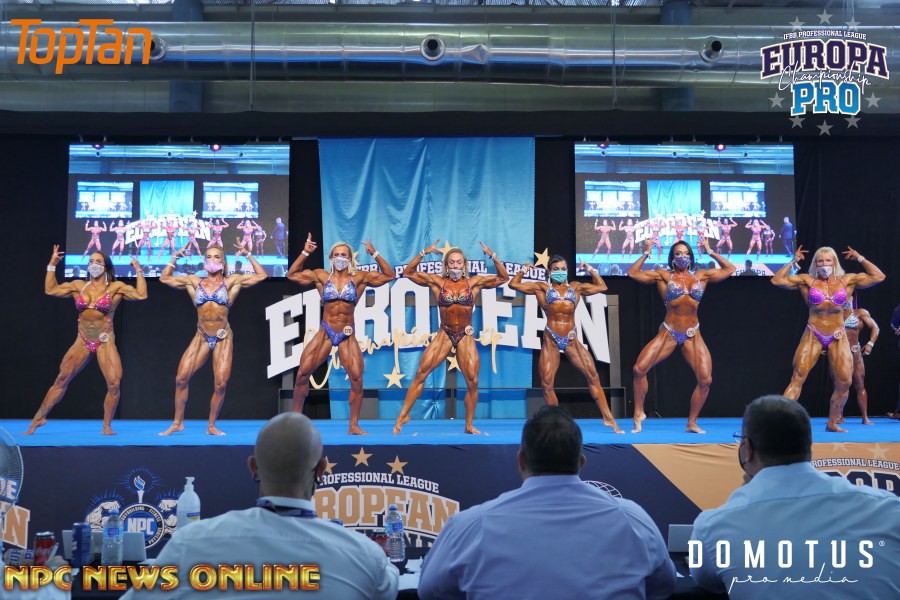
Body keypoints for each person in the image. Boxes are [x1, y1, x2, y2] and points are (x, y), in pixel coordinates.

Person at [122, 413, 398, 599]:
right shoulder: (364, 556)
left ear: (253, 466)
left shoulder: (189, 544)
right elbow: (388, 586)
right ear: (322, 470)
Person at [418, 406, 675, 600]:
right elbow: (664, 586)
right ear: (581, 463)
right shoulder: (632, 519)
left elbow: (430, 591)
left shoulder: (471, 525)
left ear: (520, 460)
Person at [690, 395, 900, 600]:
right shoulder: (889, 510)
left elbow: (707, 581)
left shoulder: (714, 526)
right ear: (809, 446)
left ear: (748, 449)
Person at [24, 246, 147, 435]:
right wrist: (52, 264)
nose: (94, 265)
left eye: (98, 262)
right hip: (82, 340)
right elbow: (50, 289)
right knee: (61, 379)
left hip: (104, 339)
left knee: (114, 384)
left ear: (105, 266)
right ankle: (39, 418)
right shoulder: (78, 285)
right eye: (91, 261)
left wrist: (138, 270)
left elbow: (141, 294)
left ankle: (107, 426)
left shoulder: (116, 288)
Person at [393, 240, 509, 435]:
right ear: (446, 265)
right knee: (421, 372)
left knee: (472, 381)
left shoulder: (474, 283)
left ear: (464, 265)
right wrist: (424, 252)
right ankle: (403, 415)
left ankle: (469, 425)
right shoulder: (438, 283)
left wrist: (493, 255)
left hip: (465, 334)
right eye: (452, 262)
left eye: (459, 262)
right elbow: (408, 272)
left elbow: (503, 277)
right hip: (445, 333)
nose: (455, 266)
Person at [288, 234, 394, 435]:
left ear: (350, 258)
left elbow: (389, 276)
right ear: (331, 257)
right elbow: (292, 275)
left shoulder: (359, 278)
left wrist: (375, 254)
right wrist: (304, 253)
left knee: (357, 379)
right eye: (336, 254)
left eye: (344, 255)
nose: (340, 258)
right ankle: (295, 420)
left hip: (347, 334)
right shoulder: (321, 276)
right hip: (326, 332)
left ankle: (353, 425)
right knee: (302, 374)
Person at [158, 242, 268, 436]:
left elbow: (262, 276)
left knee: (220, 384)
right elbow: (164, 278)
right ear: (204, 261)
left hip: (222, 336)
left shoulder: (232, 281)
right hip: (201, 336)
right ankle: (177, 423)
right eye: (208, 257)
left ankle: (211, 425)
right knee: (181, 378)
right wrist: (175, 256)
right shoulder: (194, 281)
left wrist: (248, 254)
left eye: (217, 257)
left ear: (223, 262)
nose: (212, 260)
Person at [771, 245, 885, 432]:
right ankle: (780, 422)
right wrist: (793, 261)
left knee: (845, 382)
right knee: (797, 377)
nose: (824, 264)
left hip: (838, 334)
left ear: (834, 263)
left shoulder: (847, 281)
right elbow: (777, 280)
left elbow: (879, 276)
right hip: (813, 333)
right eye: (820, 261)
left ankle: (832, 423)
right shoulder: (806, 280)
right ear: (815, 264)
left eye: (827, 260)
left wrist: (859, 257)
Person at [628, 238, 735, 433]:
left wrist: (710, 251)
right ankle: (638, 413)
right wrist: (646, 252)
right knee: (639, 369)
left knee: (705, 380)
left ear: (691, 257)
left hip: (692, 334)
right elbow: (633, 273)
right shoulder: (663, 276)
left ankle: (691, 423)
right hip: (669, 332)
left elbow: (730, 269)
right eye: (678, 254)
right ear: (672, 258)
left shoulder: (701, 276)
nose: (682, 257)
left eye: (685, 253)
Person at [508, 255, 623, 433]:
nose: (560, 272)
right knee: (546, 384)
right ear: (549, 272)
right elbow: (513, 284)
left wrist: (589, 269)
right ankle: (557, 422)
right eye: (556, 269)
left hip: (571, 340)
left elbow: (602, 286)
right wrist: (524, 270)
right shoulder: (542, 288)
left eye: (563, 269)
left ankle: (608, 418)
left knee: (593, 376)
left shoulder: (575, 287)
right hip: (551, 339)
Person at [839, 295, 879, 425]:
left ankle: (865, 417)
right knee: (840, 385)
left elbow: (875, 328)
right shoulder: (834, 314)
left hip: (855, 353)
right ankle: (839, 416)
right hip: (840, 353)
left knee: (860, 384)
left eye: (847, 296)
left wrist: (870, 344)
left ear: (851, 298)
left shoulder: (860, 313)